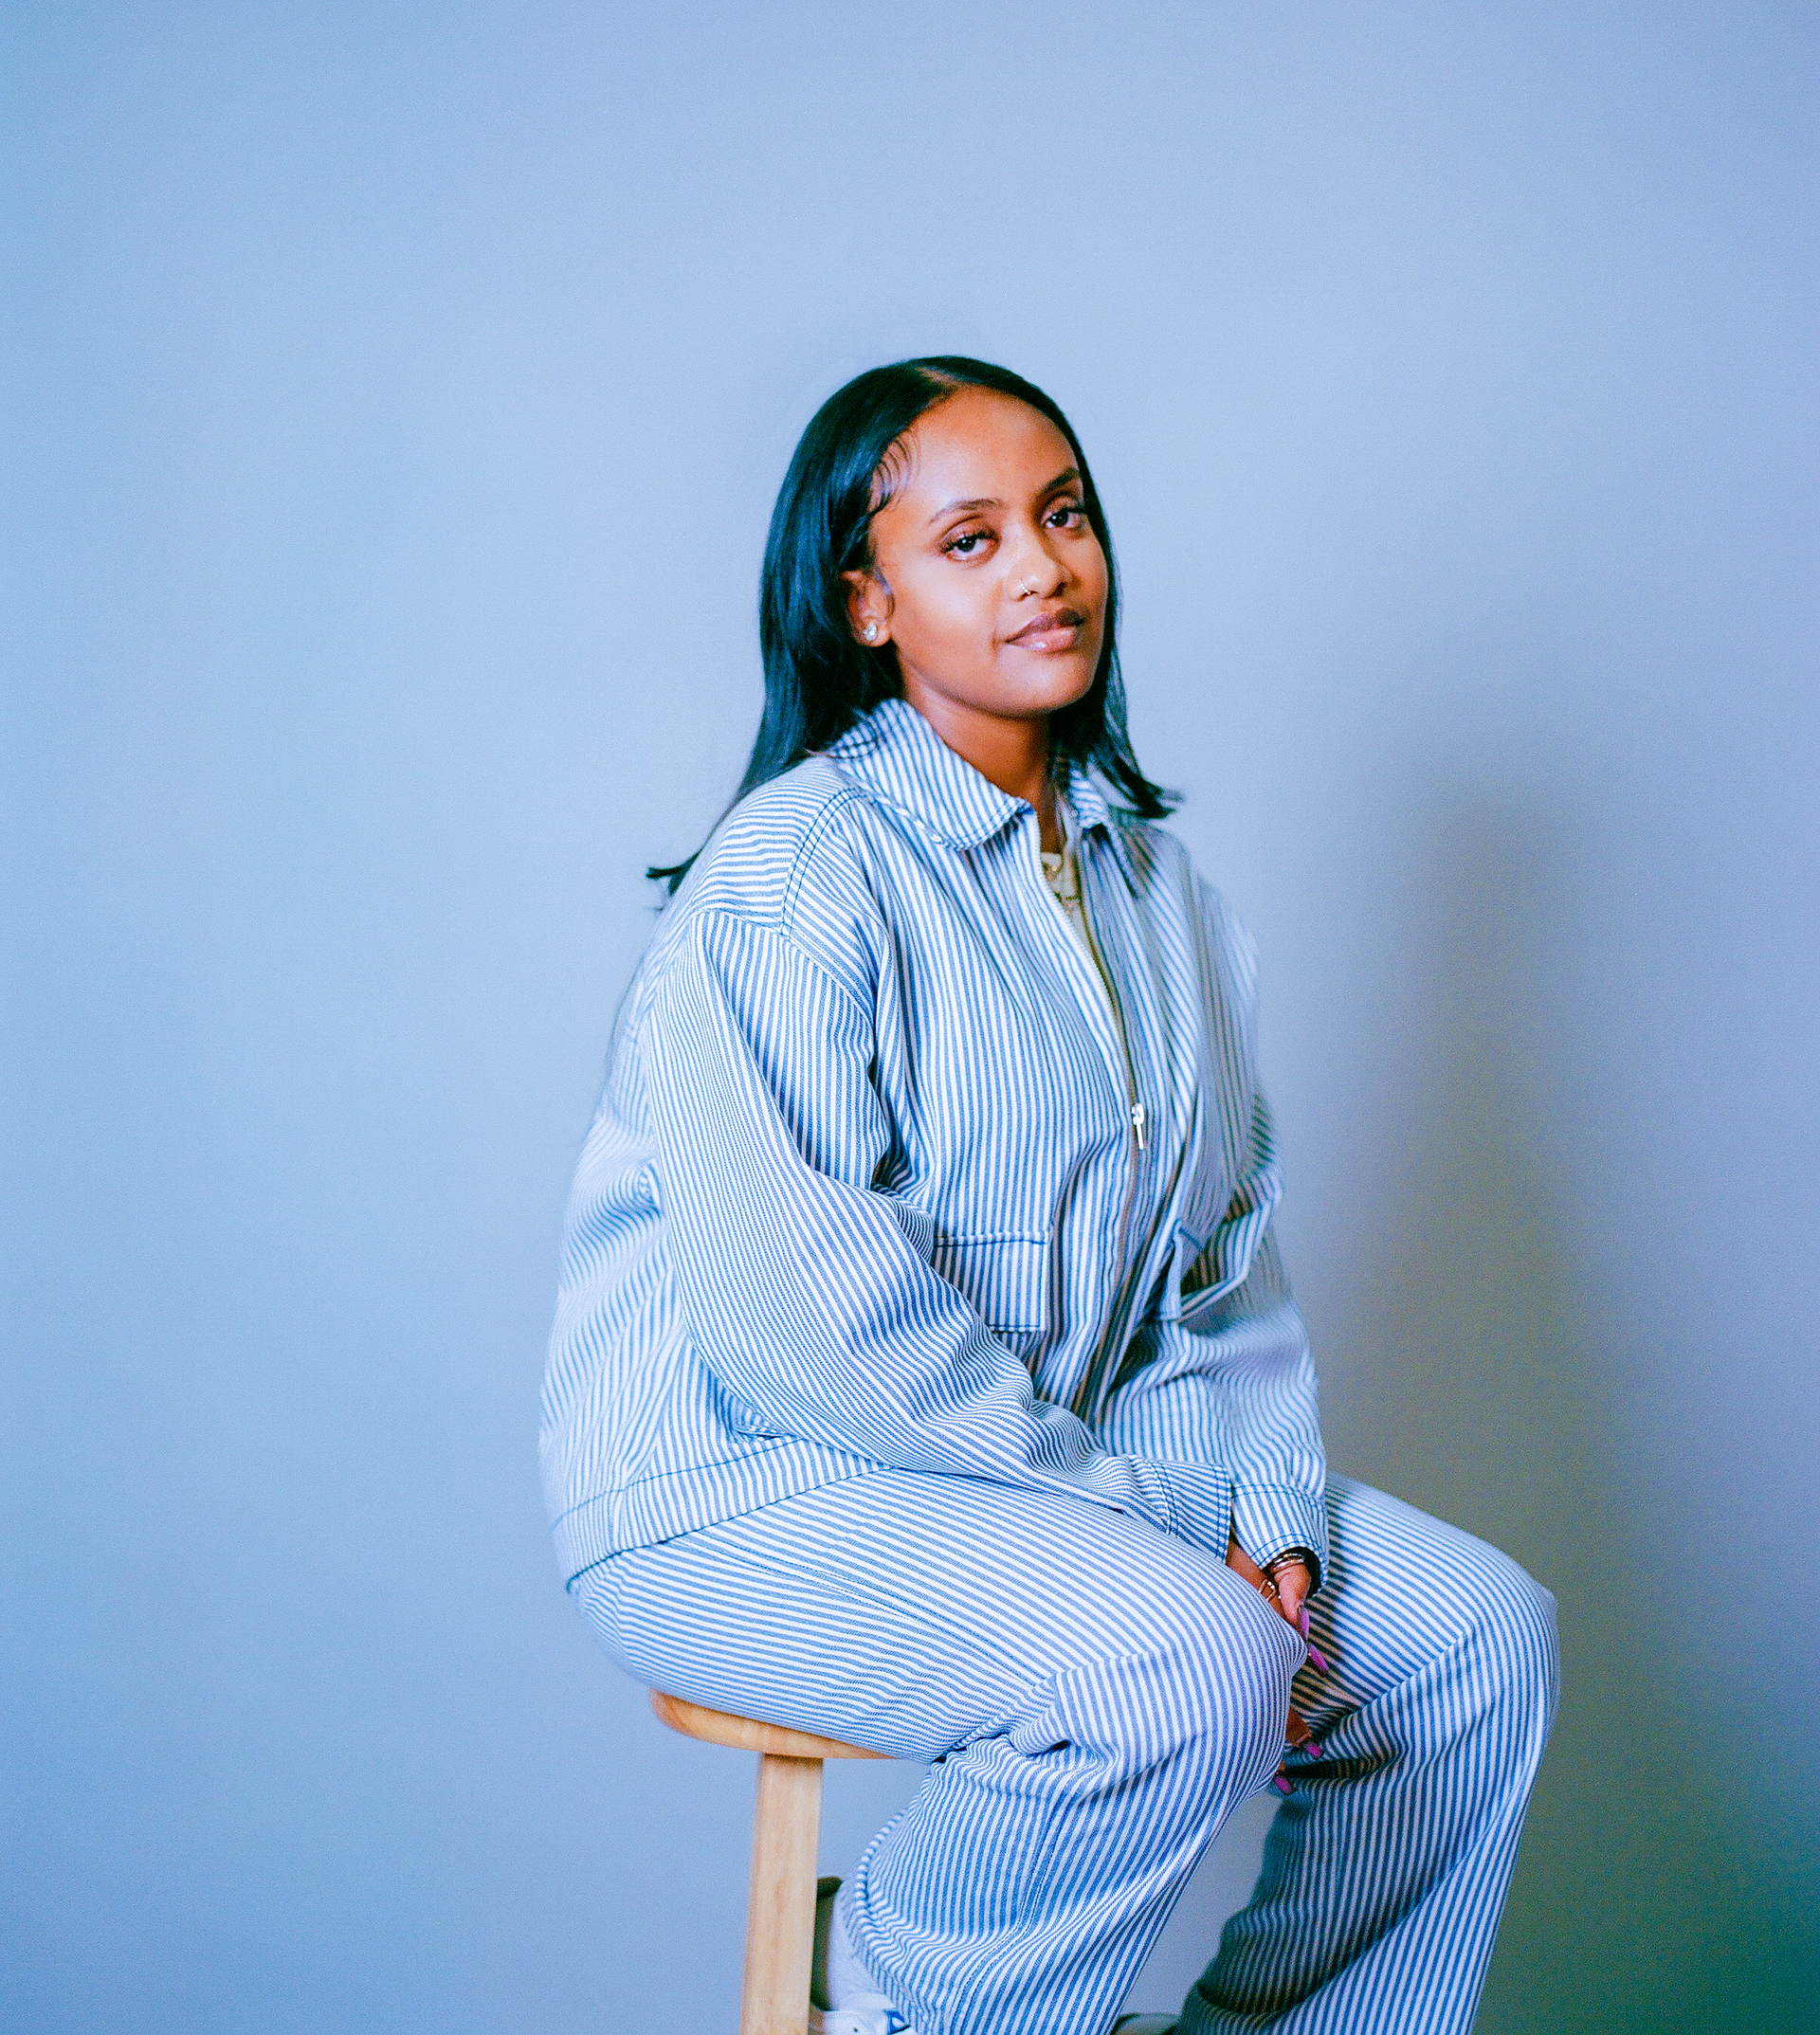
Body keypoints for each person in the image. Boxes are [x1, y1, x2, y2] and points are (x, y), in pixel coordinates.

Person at [541, 358, 1558, 2035]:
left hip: (1048, 1486)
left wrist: (1268, 1508)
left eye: (1063, 513)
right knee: (1188, 1659)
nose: (1041, 566)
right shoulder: (792, 882)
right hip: (744, 1477)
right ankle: (896, 1991)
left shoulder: (1160, 888)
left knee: (1474, 1643)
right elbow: (816, 1331)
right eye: (970, 537)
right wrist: (1168, 1529)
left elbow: (1222, 1273)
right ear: (866, 601)